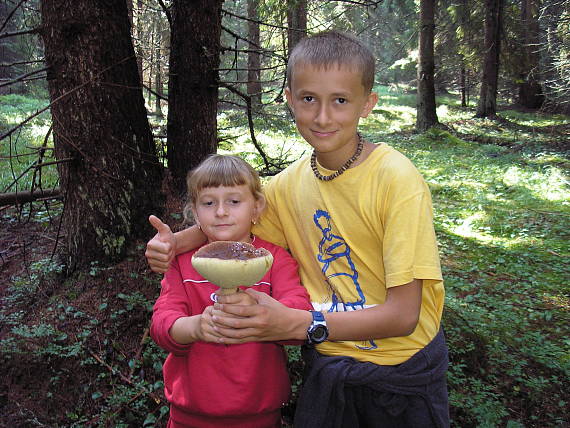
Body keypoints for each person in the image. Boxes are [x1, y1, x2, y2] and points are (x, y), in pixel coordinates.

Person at [147, 31, 449, 428]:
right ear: (289, 99)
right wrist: (174, 245)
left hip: (400, 372)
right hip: (327, 363)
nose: (323, 117)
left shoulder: (395, 179)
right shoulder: (288, 186)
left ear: (367, 104)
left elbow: (403, 315)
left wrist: (298, 324)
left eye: (340, 100)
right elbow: (231, 227)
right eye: (309, 99)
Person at [150, 154, 312, 428]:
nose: (221, 212)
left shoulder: (275, 260)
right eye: (209, 203)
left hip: (259, 412)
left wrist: (266, 315)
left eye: (234, 201)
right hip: (190, 414)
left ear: (256, 207)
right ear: (194, 211)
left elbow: (300, 315)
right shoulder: (182, 263)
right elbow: (162, 324)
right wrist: (196, 327)